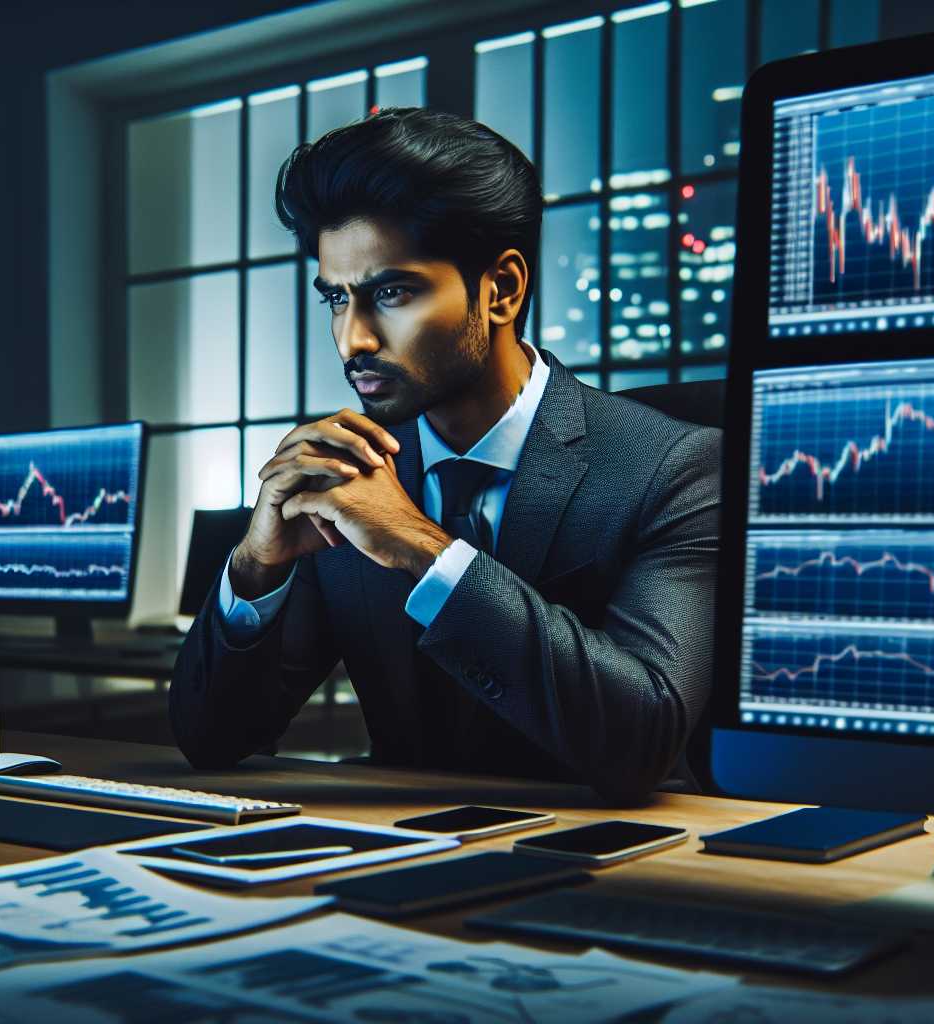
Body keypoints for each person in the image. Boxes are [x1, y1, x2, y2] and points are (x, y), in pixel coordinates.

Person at [169, 107, 720, 803]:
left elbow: (643, 740)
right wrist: (255, 567)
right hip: (397, 857)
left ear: (503, 289)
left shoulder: (676, 469)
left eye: (390, 293)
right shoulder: (348, 473)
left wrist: (423, 549)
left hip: (607, 864)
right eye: (335, 299)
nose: (352, 340)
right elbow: (209, 741)